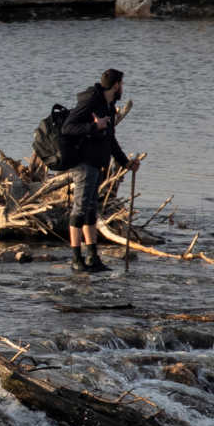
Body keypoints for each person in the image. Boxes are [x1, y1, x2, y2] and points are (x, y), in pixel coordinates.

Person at [60, 68, 129, 273]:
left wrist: (125, 163)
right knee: (80, 210)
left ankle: (92, 257)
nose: (122, 88)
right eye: (122, 84)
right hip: (83, 163)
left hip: (97, 164)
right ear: (116, 85)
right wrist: (93, 127)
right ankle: (76, 259)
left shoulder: (108, 105)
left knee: (91, 210)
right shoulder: (91, 100)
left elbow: (110, 139)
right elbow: (67, 127)